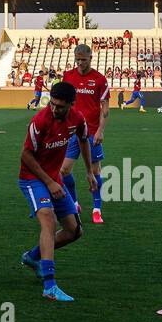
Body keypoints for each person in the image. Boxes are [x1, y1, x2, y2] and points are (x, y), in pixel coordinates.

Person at [18, 82, 92, 303]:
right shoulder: (40, 120)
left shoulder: (77, 119)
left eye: (60, 106)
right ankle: (49, 286)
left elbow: (84, 139)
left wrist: (89, 171)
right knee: (48, 220)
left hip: (53, 180)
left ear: (71, 104)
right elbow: (26, 156)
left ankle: (32, 257)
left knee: (74, 231)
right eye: (52, 104)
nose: (54, 109)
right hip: (32, 179)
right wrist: (50, 182)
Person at [60, 44, 110, 223]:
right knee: (64, 170)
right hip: (72, 131)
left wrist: (100, 131)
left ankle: (97, 209)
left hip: (91, 133)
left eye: (83, 59)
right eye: (77, 59)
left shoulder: (99, 79)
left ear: (91, 58)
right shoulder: (68, 76)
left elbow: (105, 108)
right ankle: (74, 203)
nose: (80, 63)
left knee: (95, 170)